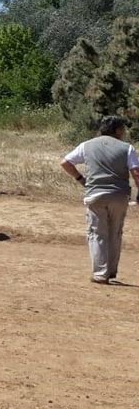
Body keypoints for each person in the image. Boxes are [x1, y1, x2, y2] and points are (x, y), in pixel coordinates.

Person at [60, 116, 139, 284]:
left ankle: (100, 273)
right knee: (115, 233)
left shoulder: (87, 145)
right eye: (122, 129)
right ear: (117, 130)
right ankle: (111, 271)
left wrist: (81, 179)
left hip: (95, 194)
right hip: (119, 195)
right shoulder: (127, 148)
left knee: (97, 233)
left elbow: (65, 163)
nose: (124, 132)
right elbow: (136, 173)